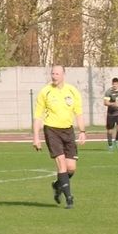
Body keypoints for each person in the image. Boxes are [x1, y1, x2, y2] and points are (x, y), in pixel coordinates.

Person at [32, 65, 85, 208]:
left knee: (71, 168)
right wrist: (36, 137)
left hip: (68, 131)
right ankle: (69, 198)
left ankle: (57, 185)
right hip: (51, 130)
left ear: (63, 75)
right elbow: (37, 116)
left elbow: (78, 113)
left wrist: (82, 131)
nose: (54, 76)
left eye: (57, 73)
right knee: (61, 163)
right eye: (52, 73)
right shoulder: (45, 92)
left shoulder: (72, 91)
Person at [102, 78, 118, 152]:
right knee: (110, 131)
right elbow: (105, 102)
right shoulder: (109, 92)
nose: (115, 85)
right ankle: (110, 145)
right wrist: (113, 104)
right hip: (111, 114)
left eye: (116, 84)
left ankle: (116, 140)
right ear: (112, 84)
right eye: (114, 84)